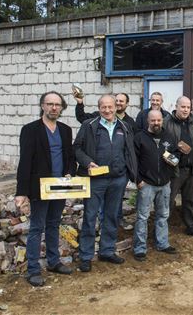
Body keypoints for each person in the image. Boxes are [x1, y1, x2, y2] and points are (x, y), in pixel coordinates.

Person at [15, 91, 76, 286]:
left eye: (57, 104)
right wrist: (21, 192)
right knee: (36, 227)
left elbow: (69, 157)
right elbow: (24, 162)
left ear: (62, 107)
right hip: (40, 188)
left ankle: (53, 262)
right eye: (49, 104)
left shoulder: (66, 130)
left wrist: (69, 172)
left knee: (53, 224)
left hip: (58, 187)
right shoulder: (30, 130)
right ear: (42, 106)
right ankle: (33, 269)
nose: (54, 108)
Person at [74, 94, 137, 272]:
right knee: (90, 217)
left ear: (116, 107)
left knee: (111, 216)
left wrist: (129, 174)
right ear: (99, 108)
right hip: (96, 180)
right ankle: (86, 256)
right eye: (104, 107)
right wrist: (87, 163)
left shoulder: (124, 127)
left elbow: (129, 151)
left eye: (111, 107)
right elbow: (76, 148)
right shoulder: (89, 126)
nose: (108, 110)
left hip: (117, 179)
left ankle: (107, 251)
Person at [133, 110, 178, 261]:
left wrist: (172, 160)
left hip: (164, 183)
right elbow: (134, 161)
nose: (156, 123)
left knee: (163, 216)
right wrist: (138, 180)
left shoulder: (169, 137)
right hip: (146, 184)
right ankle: (140, 248)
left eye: (158, 120)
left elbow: (176, 157)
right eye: (153, 121)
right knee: (142, 216)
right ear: (148, 121)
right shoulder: (139, 137)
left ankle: (163, 243)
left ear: (162, 120)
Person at [165, 96, 193, 237]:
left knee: (190, 200)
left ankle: (192, 226)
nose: (186, 110)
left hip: (191, 169)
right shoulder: (167, 123)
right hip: (174, 170)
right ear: (176, 106)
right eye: (183, 107)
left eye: (188, 107)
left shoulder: (192, 123)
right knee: (169, 200)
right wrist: (173, 156)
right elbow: (162, 148)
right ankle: (163, 228)